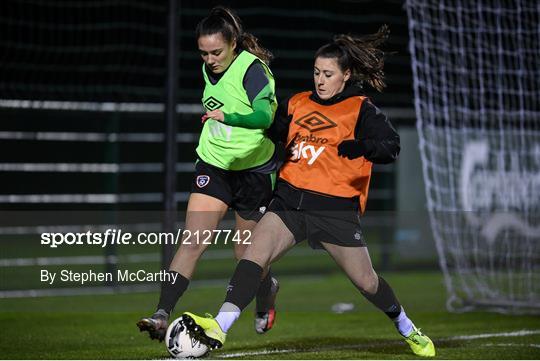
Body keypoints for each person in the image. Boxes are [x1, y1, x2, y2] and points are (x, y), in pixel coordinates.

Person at [179, 26, 436, 357]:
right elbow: (269, 130)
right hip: (288, 202)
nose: (320, 80)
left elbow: (391, 147)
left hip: (334, 211)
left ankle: (406, 326)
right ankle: (220, 325)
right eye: (316, 72)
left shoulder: (360, 109)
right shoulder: (297, 104)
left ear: (345, 75)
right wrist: (237, 123)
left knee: (367, 282)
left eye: (328, 74)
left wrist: (361, 146)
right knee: (252, 255)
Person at [137, 6, 280, 341]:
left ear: (233, 44)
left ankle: (267, 292)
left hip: (254, 172)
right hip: (214, 166)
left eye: (216, 52)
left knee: (245, 254)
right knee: (193, 241)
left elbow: (264, 117)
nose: (210, 59)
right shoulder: (209, 67)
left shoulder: (253, 70)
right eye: (203, 53)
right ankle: (161, 314)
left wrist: (228, 117)